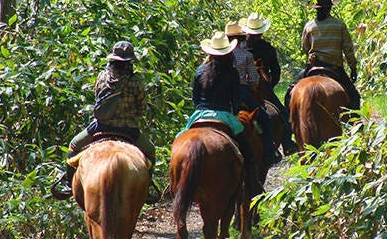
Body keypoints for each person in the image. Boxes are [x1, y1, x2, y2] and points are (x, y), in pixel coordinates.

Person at [51, 41, 156, 200]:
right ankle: (147, 188)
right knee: (150, 151)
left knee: (73, 146)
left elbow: (97, 100)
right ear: (129, 62)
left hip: (101, 126)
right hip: (128, 129)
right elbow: (141, 109)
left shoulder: (102, 76)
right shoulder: (137, 80)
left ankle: (68, 183)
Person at [181, 31, 264, 195]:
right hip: (225, 115)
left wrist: (202, 110)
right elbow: (235, 100)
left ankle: (174, 182)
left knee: (180, 139)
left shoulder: (199, 71)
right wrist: (232, 114)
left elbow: (195, 98)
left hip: (200, 114)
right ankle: (252, 183)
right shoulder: (232, 72)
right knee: (246, 148)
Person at [285, 0, 360, 111]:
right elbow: (348, 49)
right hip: (335, 67)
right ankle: (356, 125)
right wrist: (353, 68)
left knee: (290, 91)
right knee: (354, 96)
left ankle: (290, 122)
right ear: (330, 8)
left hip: (313, 65)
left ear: (316, 9)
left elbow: (305, 47)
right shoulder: (339, 25)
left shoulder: (309, 26)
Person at [240, 12, 298, 155]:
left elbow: (276, 71)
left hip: (247, 87)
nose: (256, 37)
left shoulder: (240, 48)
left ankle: (286, 143)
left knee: (283, 113)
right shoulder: (266, 48)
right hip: (260, 87)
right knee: (283, 114)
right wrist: (269, 87)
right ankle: (287, 143)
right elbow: (276, 72)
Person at [225, 20, 279, 166]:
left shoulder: (219, 56)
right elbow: (254, 79)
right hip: (242, 91)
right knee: (265, 119)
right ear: (242, 37)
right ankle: (270, 152)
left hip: (222, 94)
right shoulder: (246, 55)